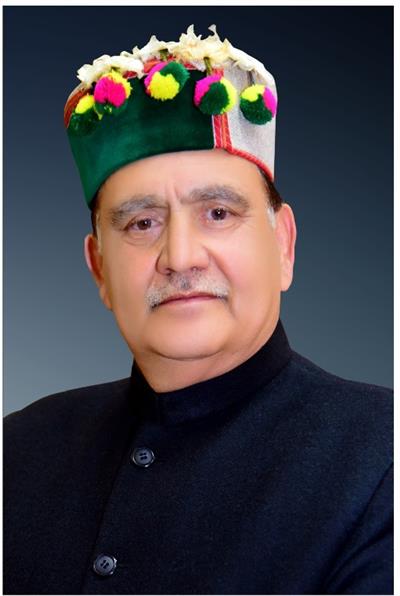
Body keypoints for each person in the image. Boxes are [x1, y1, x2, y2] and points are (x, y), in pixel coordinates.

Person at [4, 24, 393, 595]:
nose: (180, 256)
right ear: (100, 270)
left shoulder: (381, 459)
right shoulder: (18, 452)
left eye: (217, 213)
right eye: (142, 223)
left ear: (283, 246)